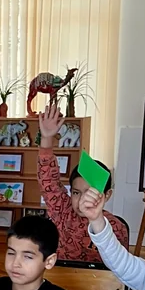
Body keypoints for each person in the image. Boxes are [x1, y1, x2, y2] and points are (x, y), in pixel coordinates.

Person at [37, 104, 128, 261]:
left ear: (107, 195)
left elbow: (121, 269)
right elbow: (48, 181)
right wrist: (46, 139)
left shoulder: (115, 228)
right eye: (76, 193)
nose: (81, 201)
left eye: (90, 193)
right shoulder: (63, 210)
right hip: (59, 274)